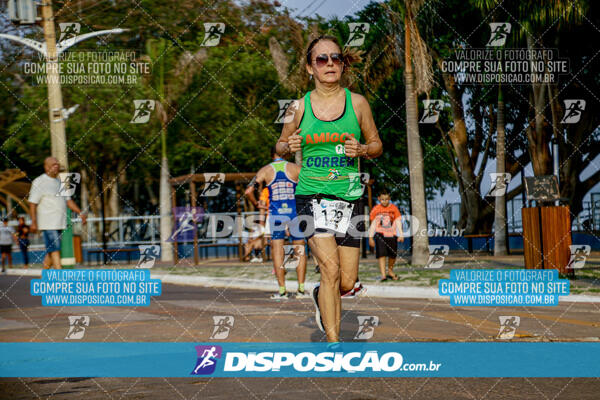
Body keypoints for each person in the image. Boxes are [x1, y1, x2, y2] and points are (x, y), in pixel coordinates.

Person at [276, 35, 383, 342]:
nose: (330, 64)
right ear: (310, 68)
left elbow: (377, 144)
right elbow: (280, 144)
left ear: (342, 64)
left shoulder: (358, 103)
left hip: (349, 197)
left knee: (346, 282)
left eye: (335, 58)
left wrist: (362, 150)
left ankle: (322, 294)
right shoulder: (296, 107)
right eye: (321, 59)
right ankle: (334, 344)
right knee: (330, 267)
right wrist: (288, 145)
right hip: (311, 196)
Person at [245, 146, 308, 299]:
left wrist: (256, 203)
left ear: (271, 154)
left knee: (277, 251)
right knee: (300, 250)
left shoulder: (265, 170)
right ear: (285, 153)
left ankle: (282, 291)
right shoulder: (295, 168)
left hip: (276, 215)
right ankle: (300, 289)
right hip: (295, 213)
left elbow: (248, 191)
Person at [28, 157, 87, 269]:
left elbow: (69, 201)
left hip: (60, 223)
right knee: (55, 249)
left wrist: (80, 212)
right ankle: (59, 277)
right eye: (53, 165)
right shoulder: (39, 181)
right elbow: (32, 203)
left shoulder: (61, 182)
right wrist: (34, 222)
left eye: (57, 164)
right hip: (47, 224)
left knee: (51, 250)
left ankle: (44, 276)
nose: (56, 166)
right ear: (46, 167)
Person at [369, 190, 403, 281]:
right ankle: (383, 275)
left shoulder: (394, 208)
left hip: (392, 234)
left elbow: (398, 221)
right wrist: (370, 237)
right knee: (381, 254)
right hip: (380, 234)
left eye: (387, 199)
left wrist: (401, 234)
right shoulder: (376, 209)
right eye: (382, 199)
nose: (385, 201)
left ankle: (390, 271)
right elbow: (373, 224)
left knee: (392, 254)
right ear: (379, 199)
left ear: (389, 199)